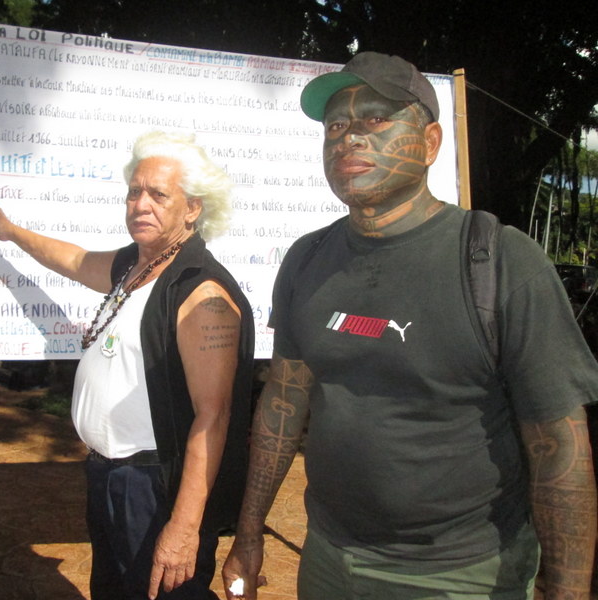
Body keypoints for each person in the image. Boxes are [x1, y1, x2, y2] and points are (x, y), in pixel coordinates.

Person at [222, 51, 598, 600]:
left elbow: (560, 452)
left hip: (462, 574)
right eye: (336, 126)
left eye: (376, 119)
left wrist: (565, 592)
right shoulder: (308, 259)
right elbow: (284, 400)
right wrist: (250, 530)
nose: (349, 138)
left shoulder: (502, 263)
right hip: (328, 559)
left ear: (429, 143)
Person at [0, 130, 254, 600]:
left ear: (193, 208)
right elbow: (72, 259)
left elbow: (214, 416)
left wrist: (184, 528)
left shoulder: (201, 294)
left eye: (159, 194)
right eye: (134, 191)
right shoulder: (135, 266)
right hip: (108, 477)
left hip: (154, 488)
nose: (140, 204)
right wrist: (10, 232)